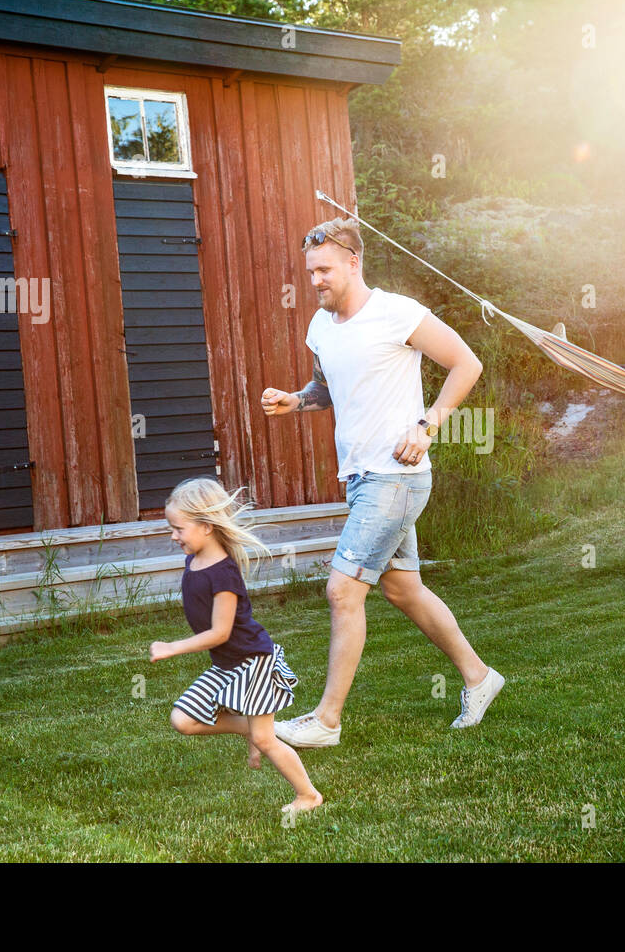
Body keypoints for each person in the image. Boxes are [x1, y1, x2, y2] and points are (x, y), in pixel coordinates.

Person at [259, 217, 504, 749]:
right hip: (362, 475)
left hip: (396, 476)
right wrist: (296, 400)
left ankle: (326, 721)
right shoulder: (321, 327)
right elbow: (327, 387)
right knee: (403, 588)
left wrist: (428, 424)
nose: (316, 280)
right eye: (310, 272)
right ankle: (481, 678)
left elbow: (466, 362)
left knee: (343, 589)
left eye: (324, 269)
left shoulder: (397, 313)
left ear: (354, 261)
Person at [150, 475, 323, 816]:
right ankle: (252, 726)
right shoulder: (195, 560)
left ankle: (308, 796)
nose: (173, 536)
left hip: (252, 660)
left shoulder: (225, 574)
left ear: (207, 526)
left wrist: (173, 647)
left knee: (265, 740)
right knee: (183, 720)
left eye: (178, 529)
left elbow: (219, 633)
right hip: (228, 664)